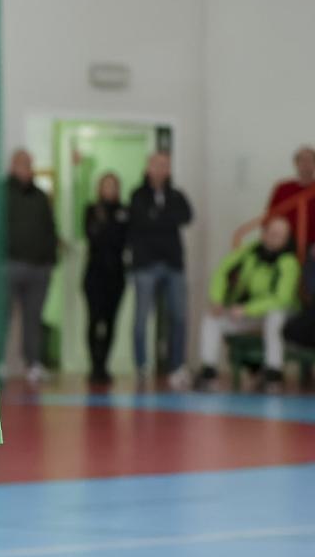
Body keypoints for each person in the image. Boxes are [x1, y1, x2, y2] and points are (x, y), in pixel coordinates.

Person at [193, 215, 301, 392]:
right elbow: (221, 271)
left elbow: (282, 298)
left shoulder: (289, 262)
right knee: (212, 318)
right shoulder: (249, 252)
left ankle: (274, 372)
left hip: (278, 313)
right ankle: (208, 370)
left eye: (281, 236)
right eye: (272, 233)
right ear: (264, 234)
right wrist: (217, 299)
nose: (275, 238)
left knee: (275, 317)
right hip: (248, 312)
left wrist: (247, 309)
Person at [127, 152, 193, 389]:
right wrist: (164, 219)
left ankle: (177, 366)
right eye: (156, 164)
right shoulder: (137, 195)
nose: (160, 169)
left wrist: (158, 217)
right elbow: (141, 221)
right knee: (142, 317)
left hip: (173, 264)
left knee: (178, 316)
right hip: (145, 265)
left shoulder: (176, 195)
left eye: (165, 165)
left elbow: (186, 216)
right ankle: (142, 365)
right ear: (148, 167)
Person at [4, 148, 58, 383]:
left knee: (33, 318)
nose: (25, 168)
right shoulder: (2, 194)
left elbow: (50, 229)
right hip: (10, 265)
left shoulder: (40, 196)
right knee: (2, 316)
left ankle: (32, 364)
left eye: (28, 163)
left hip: (39, 267)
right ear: (13, 165)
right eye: (21, 163)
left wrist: (50, 259)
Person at [83, 172, 128, 386]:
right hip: (94, 274)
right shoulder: (91, 210)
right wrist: (106, 229)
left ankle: (105, 365)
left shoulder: (124, 211)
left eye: (113, 185)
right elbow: (93, 236)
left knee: (110, 321)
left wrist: (107, 228)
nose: (109, 189)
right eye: (106, 185)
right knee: (94, 319)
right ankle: (95, 365)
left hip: (116, 275)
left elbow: (122, 239)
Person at [230, 145, 315, 251]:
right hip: (284, 243)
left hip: (312, 245)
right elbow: (270, 216)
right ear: (296, 163)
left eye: (310, 160)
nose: (306, 164)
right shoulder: (283, 188)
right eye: (302, 160)